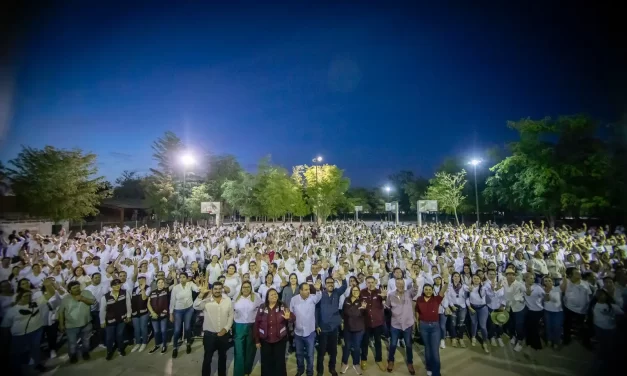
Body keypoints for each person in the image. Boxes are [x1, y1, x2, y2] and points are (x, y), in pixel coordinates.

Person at [1, 288, 55, 374]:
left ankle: (37, 364)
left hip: (37, 331)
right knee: (17, 354)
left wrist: (48, 285)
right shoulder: (12, 310)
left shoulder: (36, 303)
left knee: (36, 349)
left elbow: (51, 293)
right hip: (19, 335)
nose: (28, 297)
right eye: (25, 296)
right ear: (19, 297)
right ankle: (17, 370)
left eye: (30, 295)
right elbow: (5, 326)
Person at [193, 281, 233, 376]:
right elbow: (196, 306)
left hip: (223, 335)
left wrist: (226, 328)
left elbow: (231, 315)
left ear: (222, 289)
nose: (217, 291)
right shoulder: (207, 301)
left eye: (219, 289)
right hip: (209, 335)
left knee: (222, 357)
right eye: (215, 289)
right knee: (207, 359)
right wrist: (202, 294)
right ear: (212, 290)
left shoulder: (227, 300)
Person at [386, 270, 421, 375]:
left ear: (404, 284)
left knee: (409, 345)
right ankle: (391, 361)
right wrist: (383, 298)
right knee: (392, 344)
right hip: (395, 324)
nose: (400, 285)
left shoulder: (409, 293)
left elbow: (415, 288)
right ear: (395, 284)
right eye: (398, 284)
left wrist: (414, 279)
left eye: (402, 284)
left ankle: (410, 363)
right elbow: (387, 307)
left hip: (407, 324)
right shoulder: (391, 295)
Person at [254, 288, 294, 376]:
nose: (274, 296)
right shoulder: (262, 307)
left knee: (280, 362)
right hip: (265, 340)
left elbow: (293, 317)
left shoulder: (282, 306)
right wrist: (257, 340)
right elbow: (257, 323)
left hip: (280, 339)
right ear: (267, 297)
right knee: (266, 362)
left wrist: (289, 317)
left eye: (275, 294)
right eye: (271, 294)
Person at [315, 271, 347, 376]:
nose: (330, 284)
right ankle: (320, 370)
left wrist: (342, 276)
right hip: (323, 328)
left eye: (332, 282)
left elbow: (345, 286)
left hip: (334, 328)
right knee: (322, 351)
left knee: (333, 351)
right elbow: (316, 311)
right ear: (325, 284)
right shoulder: (320, 294)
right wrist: (317, 325)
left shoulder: (337, 292)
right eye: (328, 282)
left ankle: (332, 368)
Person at [415, 280, 448, 376]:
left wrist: (446, 282)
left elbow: (443, 290)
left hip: (435, 327)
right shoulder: (419, 299)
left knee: (435, 350)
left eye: (430, 289)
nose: (428, 291)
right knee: (427, 348)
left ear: (433, 290)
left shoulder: (436, 299)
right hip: (423, 326)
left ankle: (436, 372)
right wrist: (417, 323)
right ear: (423, 290)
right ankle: (429, 367)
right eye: (426, 289)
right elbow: (417, 310)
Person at [59, 280, 96, 363]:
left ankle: (85, 353)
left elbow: (93, 302)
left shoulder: (86, 293)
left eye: (78, 287)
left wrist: (82, 298)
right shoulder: (65, 299)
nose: (77, 289)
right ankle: (73, 356)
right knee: (72, 343)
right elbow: (61, 312)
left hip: (86, 323)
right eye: (74, 288)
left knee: (86, 341)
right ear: (69, 290)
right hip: (71, 326)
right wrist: (61, 324)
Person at [291, 281, 323, 376]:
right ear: (300, 291)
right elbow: (291, 315)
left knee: (310, 355)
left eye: (308, 289)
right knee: (299, 354)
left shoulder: (313, 298)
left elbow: (319, 295)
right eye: (305, 290)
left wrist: (317, 289)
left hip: (310, 332)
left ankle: (310, 372)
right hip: (298, 333)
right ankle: (300, 370)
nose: (308, 291)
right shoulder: (294, 300)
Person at [233, 281, 262, 376]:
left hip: (252, 326)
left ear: (251, 288)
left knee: (250, 350)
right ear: (241, 288)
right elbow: (230, 310)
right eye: (244, 287)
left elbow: (261, 309)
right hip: (239, 326)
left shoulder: (256, 297)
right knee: (239, 351)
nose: (246, 289)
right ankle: (238, 373)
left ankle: (247, 371)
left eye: (248, 287)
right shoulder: (236, 297)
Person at [99, 278, 131, 360]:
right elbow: (102, 310)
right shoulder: (105, 297)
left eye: (118, 284)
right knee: (109, 337)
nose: (117, 286)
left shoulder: (125, 293)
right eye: (115, 285)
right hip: (110, 320)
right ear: (111, 286)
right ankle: (109, 351)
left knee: (120, 335)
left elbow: (128, 305)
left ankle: (121, 349)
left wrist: (128, 315)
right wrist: (102, 321)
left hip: (122, 319)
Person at [359, 276, 387, 371]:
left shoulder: (379, 292)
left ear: (375, 282)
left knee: (378, 341)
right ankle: (363, 359)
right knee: (365, 341)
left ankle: (379, 360)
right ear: (366, 283)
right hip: (366, 321)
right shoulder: (362, 292)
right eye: (368, 282)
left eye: (372, 282)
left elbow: (384, 301)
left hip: (377, 322)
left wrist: (384, 297)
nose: (370, 284)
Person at [169, 272, 199, 358]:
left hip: (189, 309)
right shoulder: (175, 288)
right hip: (178, 310)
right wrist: (171, 313)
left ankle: (188, 343)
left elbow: (197, 289)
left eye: (183, 277)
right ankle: (175, 347)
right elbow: (172, 301)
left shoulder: (190, 284)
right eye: (180, 277)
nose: (181, 279)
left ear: (187, 278)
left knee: (187, 328)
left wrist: (197, 283)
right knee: (177, 330)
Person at [341, 285, 367, 374]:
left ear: (359, 292)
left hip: (359, 328)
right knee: (347, 347)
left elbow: (362, 313)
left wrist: (358, 310)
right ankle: (344, 363)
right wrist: (357, 310)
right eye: (354, 290)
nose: (355, 292)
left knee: (356, 347)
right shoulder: (347, 300)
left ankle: (356, 364)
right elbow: (345, 312)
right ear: (351, 291)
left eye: (357, 290)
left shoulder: (362, 301)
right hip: (348, 327)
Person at [467, 274, 490, 353]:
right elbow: (467, 298)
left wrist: (487, 279)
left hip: (482, 308)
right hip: (472, 308)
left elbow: (487, 290)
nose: (476, 280)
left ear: (480, 280)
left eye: (478, 278)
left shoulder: (483, 288)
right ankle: (473, 336)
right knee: (473, 323)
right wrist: (469, 307)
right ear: (472, 279)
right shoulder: (469, 288)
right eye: (474, 278)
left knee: (483, 326)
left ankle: (484, 341)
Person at [85, 272, 108, 349]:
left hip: (104, 309)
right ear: (92, 279)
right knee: (98, 328)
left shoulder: (105, 286)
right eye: (96, 277)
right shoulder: (87, 289)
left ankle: (104, 341)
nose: (98, 279)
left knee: (104, 327)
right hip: (93, 311)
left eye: (99, 277)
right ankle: (101, 341)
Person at [147, 277, 170, 354]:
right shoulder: (152, 292)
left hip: (163, 315)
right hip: (154, 315)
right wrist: (152, 313)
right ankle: (157, 345)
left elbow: (175, 284)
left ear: (164, 283)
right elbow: (148, 303)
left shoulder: (166, 290)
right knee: (156, 331)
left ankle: (164, 345)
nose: (161, 284)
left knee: (163, 331)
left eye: (162, 282)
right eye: (159, 283)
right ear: (156, 284)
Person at [130, 274, 150, 352]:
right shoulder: (134, 289)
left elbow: (144, 298)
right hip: (135, 312)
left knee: (143, 327)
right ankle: (138, 343)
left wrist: (143, 289)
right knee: (136, 329)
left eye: (142, 279)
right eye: (139, 279)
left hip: (144, 311)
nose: (141, 280)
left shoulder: (148, 288)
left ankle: (144, 342)